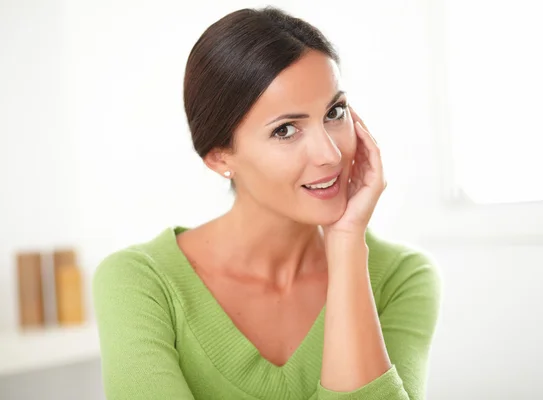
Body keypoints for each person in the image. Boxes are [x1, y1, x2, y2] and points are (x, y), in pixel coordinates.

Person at [92, 6, 442, 400]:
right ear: (220, 157)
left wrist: (345, 245)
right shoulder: (141, 283)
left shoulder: (401, 278)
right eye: (286, 130)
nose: (329, 154)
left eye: (334, 112)